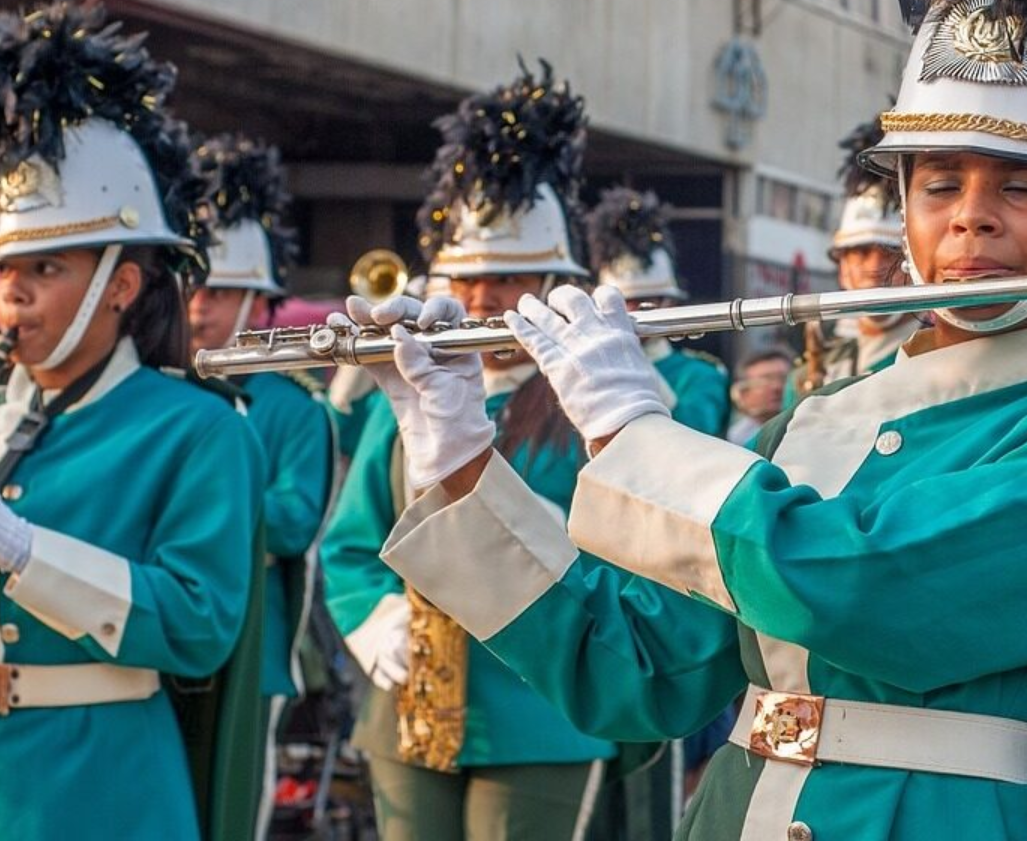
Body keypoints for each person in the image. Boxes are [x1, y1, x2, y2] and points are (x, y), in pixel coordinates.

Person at [366, 0, 1027, 840]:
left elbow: (871, 588)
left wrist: (637, 435)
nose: (970, 219)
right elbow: (633, 669)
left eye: (1021, 187)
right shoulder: (823, 419)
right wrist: (460, 463)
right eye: (937, 184)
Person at [0, 0, 264, 840]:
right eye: (7, 270)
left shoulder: (199, 429)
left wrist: (23, 548)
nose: (14, 294)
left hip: (98, 791)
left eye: (47, 269)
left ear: (122, 284)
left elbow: (198, 626)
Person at [318, 61, 617, 841]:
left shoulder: (591, 397)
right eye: (467, 277)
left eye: (507, 277)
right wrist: (371, 618)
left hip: (539, 706)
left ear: (553, 279)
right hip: (409, 701)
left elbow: (626, 552)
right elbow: (350, 541)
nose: (482, 298)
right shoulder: (408, 392)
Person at [189, 134, 337, 837]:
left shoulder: (295, 407)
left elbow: (294, 521)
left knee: (232, 817)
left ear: (257, 300)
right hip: (164, 638)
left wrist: (194, 507)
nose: (198, 307)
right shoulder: (165, 390)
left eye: (219, 292)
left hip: (255, 645)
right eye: (193, 288)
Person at [785, 119, 916, 404]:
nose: (874, 266)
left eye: (891, 252)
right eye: (860, 252)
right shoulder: (807, 372)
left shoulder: (941, 355)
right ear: (842, 267)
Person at [588, 186, 729, 436]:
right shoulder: (592, 373)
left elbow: (696, 435)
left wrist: (633, 359)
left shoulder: (701, 374)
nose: (629, 311)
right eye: (620, 302)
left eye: (644, 301)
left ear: (669, 304)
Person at [725, 349, 790, 446]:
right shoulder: (736, 440)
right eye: (765, 380)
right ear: (744, 392)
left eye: (783, 378)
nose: (777, 387)